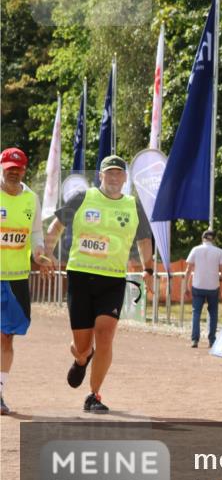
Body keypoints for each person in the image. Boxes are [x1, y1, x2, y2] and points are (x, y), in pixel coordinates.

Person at [44, 155, 154, 414]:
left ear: (125, 178)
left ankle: (93, 394)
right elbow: (57, 225)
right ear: (101, 176)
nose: (114, 177)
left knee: (105, 335)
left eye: (119, 173)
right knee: (82, 346)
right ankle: (82, 358)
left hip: (112, 280)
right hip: (80, 277)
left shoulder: (133, 206)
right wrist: (47, 253)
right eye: (109, 173)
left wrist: (148, 268)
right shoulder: (84, 198)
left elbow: (144, 240)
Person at [0, 147, 52, 415]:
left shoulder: (32, 198)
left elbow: (36, 233)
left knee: (7, 337)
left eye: (17, 169)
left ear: (24, 170)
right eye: (9, 168)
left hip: (17, 279)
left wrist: (39, 253)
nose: (13, 172)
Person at [185, 229, 222, 348]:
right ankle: (212, 340)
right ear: (213, 239)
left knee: (196, 313)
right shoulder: (219, 251)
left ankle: (195, 340)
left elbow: (188, 270)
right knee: (213, 313)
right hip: (213, 286)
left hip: (198, 285)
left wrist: (186, 287)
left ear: (202, 238)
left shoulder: (195, 250)